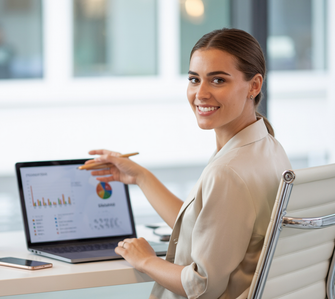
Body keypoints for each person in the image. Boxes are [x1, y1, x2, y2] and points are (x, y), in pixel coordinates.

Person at [85, 28, 291, 299]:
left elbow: (202, 286)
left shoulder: (228, 171)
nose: (201, 93)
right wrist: (140, 177)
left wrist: (146, 259)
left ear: (254, 85)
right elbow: (202, 225)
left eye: (218, 80)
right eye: (194, 79)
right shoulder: (267, 146)